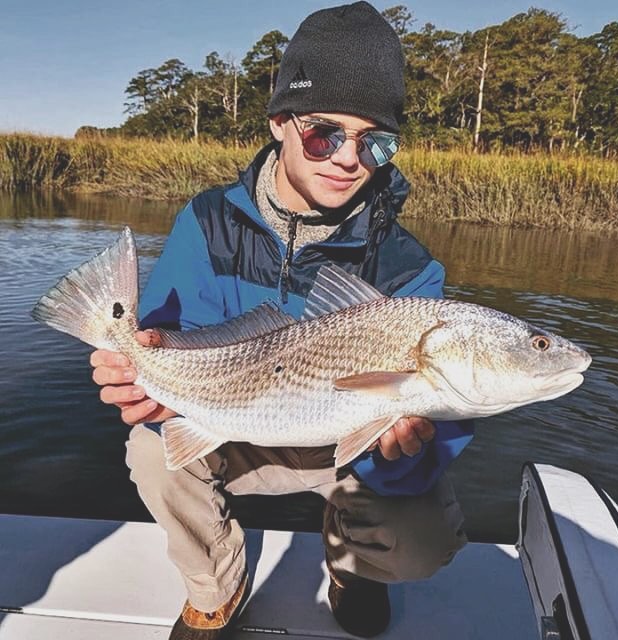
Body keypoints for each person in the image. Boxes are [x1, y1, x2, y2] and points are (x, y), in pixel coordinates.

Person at [90, 2, 474, 638]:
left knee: (422, 534)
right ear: (280, 123)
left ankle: (354, 570)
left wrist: (400, 454)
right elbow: (169, 338)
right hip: (230, 421)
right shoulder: (208, 221)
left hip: (344, 449)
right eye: (325, 133)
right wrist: (146, 377)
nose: (349, 158)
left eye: (375, 141)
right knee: (150, 450)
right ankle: (218, 585)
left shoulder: (411, 271)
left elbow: (439, 439)